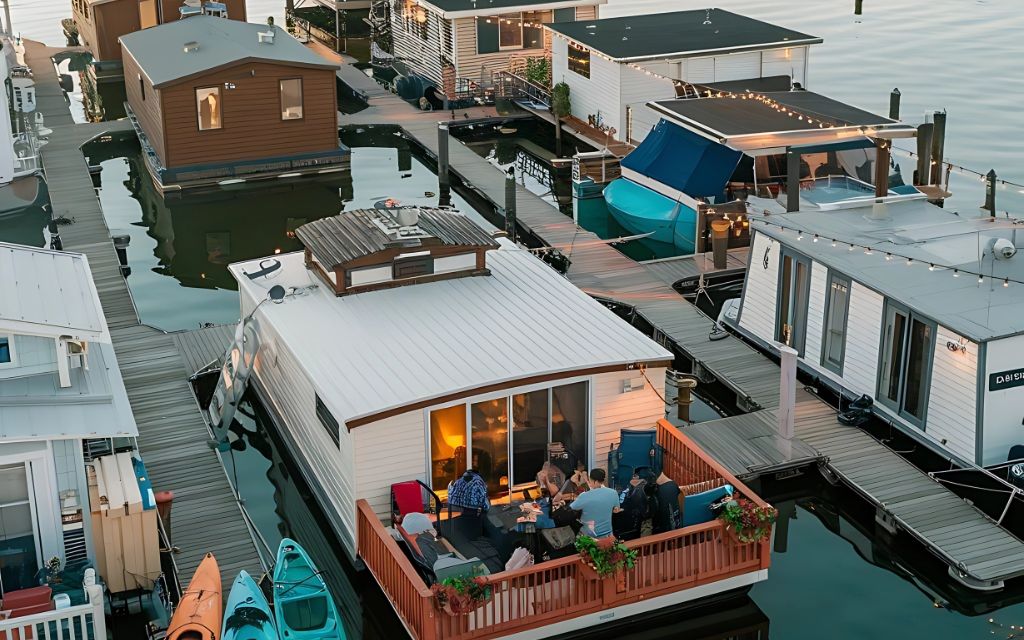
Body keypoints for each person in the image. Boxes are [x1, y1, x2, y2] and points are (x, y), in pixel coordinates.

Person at [569, 468, 620, 537]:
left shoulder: (585, 495)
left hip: (588, 537)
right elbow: (616, 510)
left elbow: (571, 508)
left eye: (590, 480)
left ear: (595, 481)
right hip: (608, 535)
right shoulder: (613, 493)